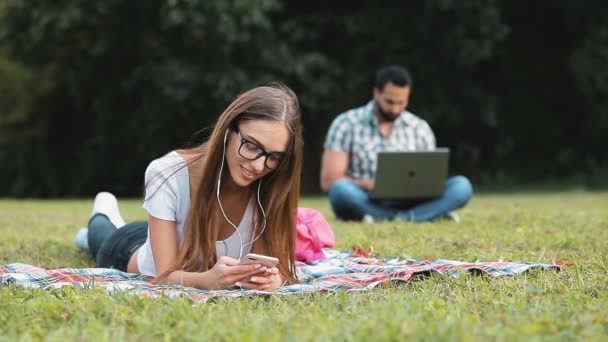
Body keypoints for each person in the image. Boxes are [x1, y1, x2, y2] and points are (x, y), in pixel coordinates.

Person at [73, 83, 303, 291]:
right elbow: (163, 277)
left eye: (274, 156)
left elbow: (279, 268)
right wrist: (206, 281)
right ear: (228, 130)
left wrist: (273, 280)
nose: (259, 165)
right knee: (101, 234)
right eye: (252, 146)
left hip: (162, 233)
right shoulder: (168, 172)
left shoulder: (271, 185)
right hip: (127, 249)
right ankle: (102, 208)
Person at [320, 65, 473, 222]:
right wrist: (372, 185)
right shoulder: (346, 124)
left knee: (462, 186)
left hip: (414, 199)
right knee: (341, 191)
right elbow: (329, 181)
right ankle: (424, 215)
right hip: (367, 197)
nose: (395, 109)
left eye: (401, 102)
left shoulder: (419, 128)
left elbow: (430, 177)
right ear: (376, 93)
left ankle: (388, 217)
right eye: (390, 102)